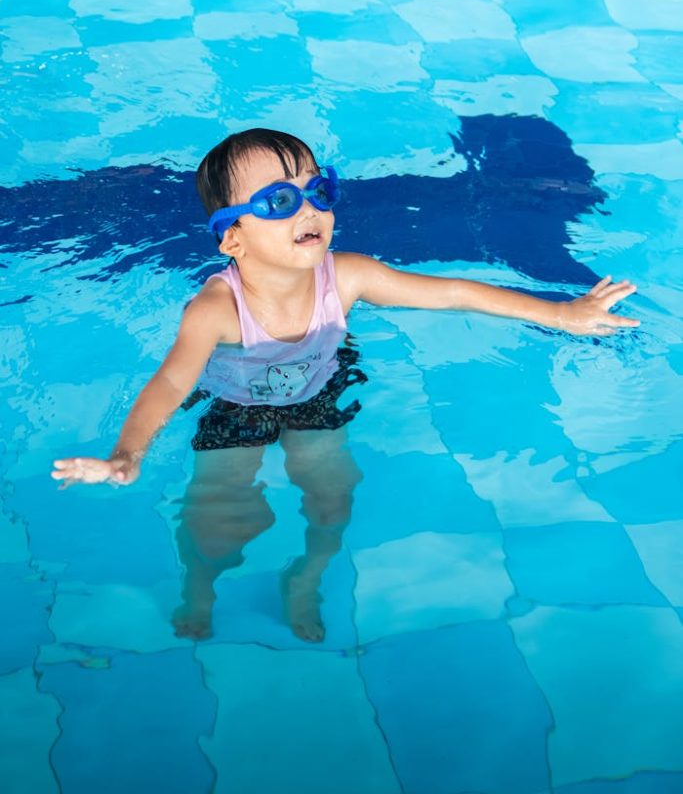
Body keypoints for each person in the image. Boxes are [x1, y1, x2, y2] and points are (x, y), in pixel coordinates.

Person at [51, 128, 640, 641]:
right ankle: (200, 588)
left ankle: (306, 575)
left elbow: (455, 292)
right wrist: (127, 455)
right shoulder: (215, 310)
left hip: (320, 393)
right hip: (236, 407)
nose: (308, 209)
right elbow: (170, 381)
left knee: (333, 497)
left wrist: (561, 313)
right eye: (279, 200)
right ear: (232, 238)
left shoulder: (350, 275)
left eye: (318, 190)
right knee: (216, 515)